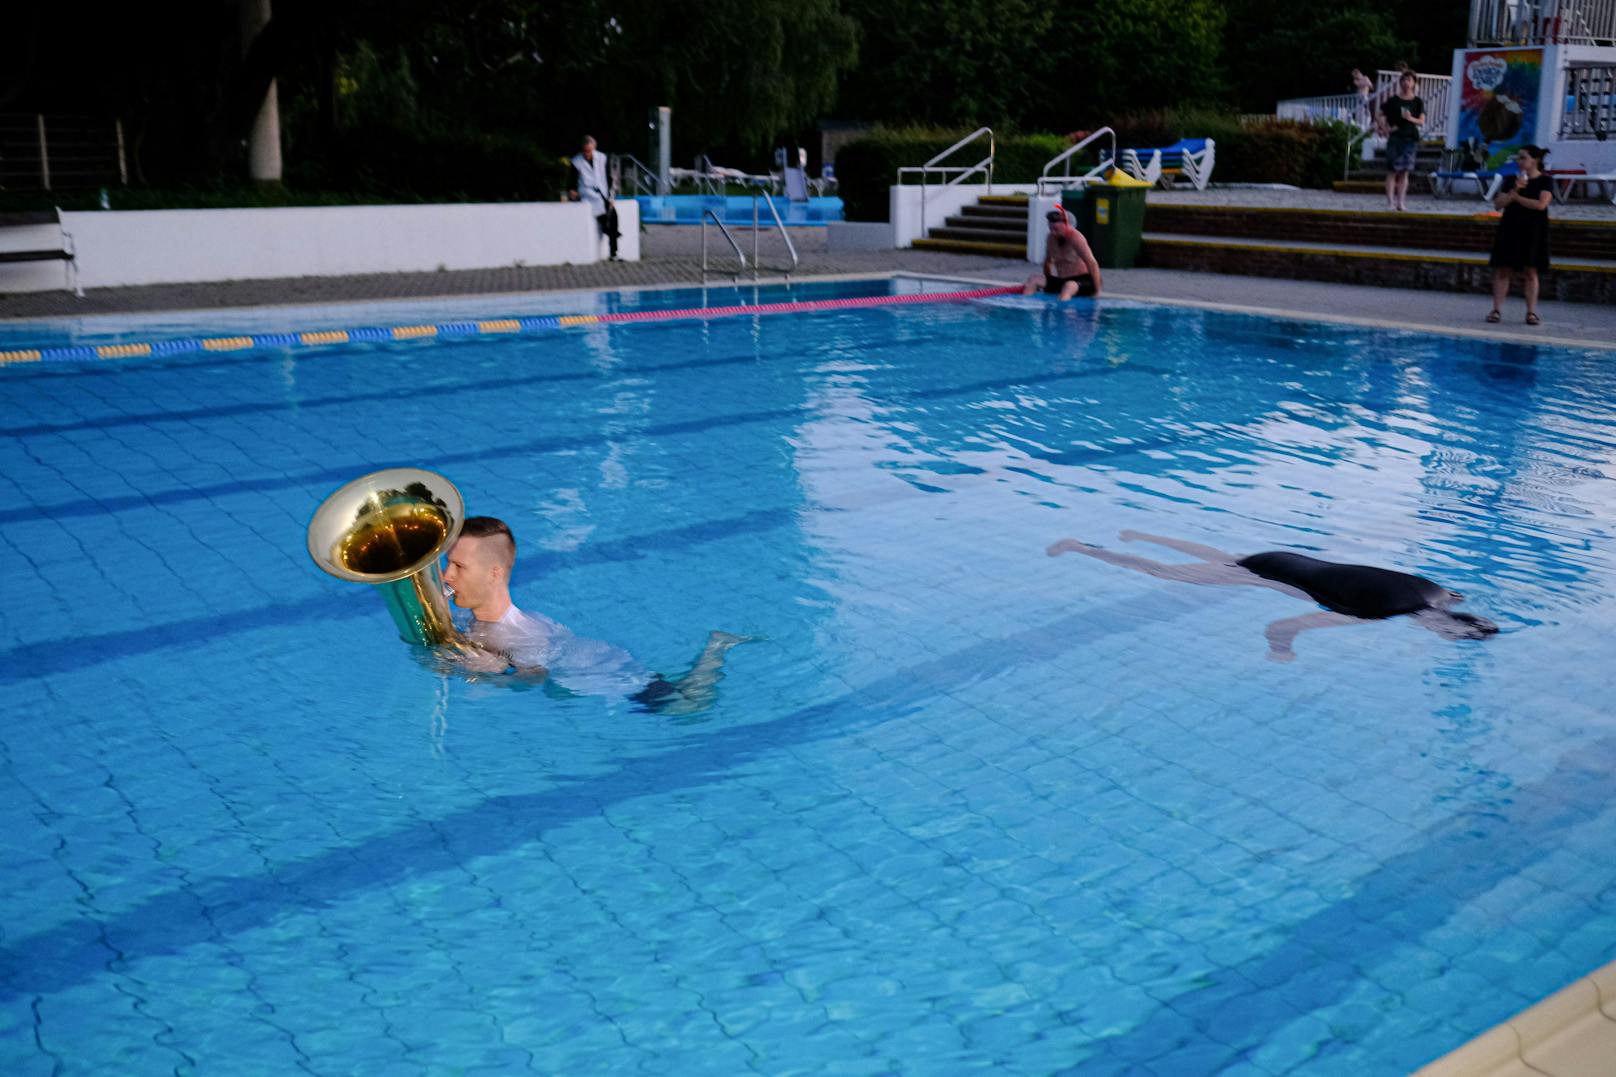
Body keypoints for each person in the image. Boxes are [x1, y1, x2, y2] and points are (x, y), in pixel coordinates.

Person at [440, 516, 751, 713]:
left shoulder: (512, 634)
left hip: (606, 671)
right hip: (592, 662)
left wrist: (491, 677)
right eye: (448, 564)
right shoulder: (503, 622)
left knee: (689, 709)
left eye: (459, 567)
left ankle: (718, 646)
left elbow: (532, 677)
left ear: (494, 574)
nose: (446, 576)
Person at [1047, 530, 1498, 662]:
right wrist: (1281, 651)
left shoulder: (1440, 591)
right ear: (1443, 630)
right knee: (1165, 573)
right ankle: (1080, 546)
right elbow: (1278, 625)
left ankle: (1140, 534)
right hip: (1271, 574)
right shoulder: (1371, 614)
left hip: (1283, 556)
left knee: (1226, 558)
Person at [1487, 144, 1553, 326]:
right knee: (1503, 268)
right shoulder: (1510, 180)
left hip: (1533, 229)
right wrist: (1515, 191)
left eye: (1523, 157)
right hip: (1511, 227)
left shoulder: (1545, 181)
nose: (1519, 161)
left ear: (1535, 160)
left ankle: (1531, 312)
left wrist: (1517, 199)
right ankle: (1496, 309)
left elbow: (1541, 204)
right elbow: (1498, 204)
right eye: (1519, 158)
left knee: (1531, 270)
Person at [1023, 208, 1102, 300]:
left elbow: (1092, 263)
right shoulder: (1051, 238)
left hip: (1083, 281)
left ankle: (1061, 313)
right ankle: (1024, 308)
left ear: (1067, 225)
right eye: (1051, 228)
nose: (1053, 232)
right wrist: (1048, 283)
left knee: (1068, 287)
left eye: (1056, 229)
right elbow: (1048, 262)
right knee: (1033, 280)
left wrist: (1097, 290)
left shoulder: (1076, 238)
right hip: (1063, 281)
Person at [1377, 70, 1424, 211]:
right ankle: (1390, 202)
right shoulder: (1393, 100)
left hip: (1410, 138)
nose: (1406, 83)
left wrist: (1411, 118)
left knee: (1405, 171)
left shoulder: (1417, 101)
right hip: (1395, 137)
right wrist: (1385, 128)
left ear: (1414, 83)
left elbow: (1421, 120)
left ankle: (1401, 202)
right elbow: (1379, 113)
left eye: (1409, 80)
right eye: (1404, 80)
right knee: (1392, 170)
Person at [569, 135, 621, 261]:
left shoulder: (602, 158)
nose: (587, 154)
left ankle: (614, 251)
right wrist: (572, 192)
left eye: (590, 151)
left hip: (602, 192)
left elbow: (610, 178)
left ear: (594, 148)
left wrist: (611, 197)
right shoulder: (576, 162)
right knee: (603, 219)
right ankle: (613, 237)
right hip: (587, 194)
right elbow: (571, 182)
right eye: (585, 151)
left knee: (613, 216)